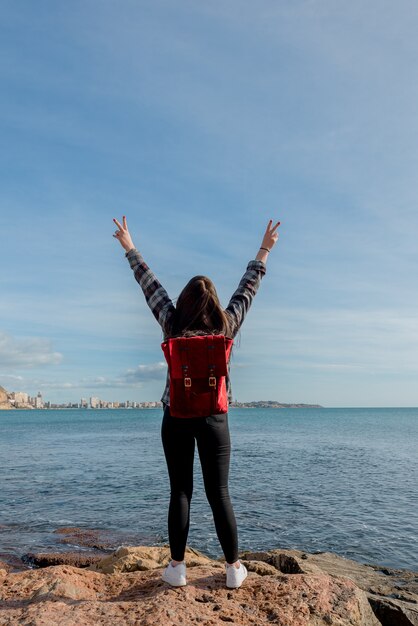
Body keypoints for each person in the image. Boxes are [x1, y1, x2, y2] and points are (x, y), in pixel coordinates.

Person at [113, 215, 280, 588]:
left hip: (176, 415)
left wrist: (129, 247)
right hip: (215, 418)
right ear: (214, 303)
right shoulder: (226, 325)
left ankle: (176, 569)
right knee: (219, 492)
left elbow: (149, 285)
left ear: (185, 303)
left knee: (181, 491)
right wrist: (264, 249)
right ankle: (234, 569)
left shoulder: (172, 324)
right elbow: (248, 287)